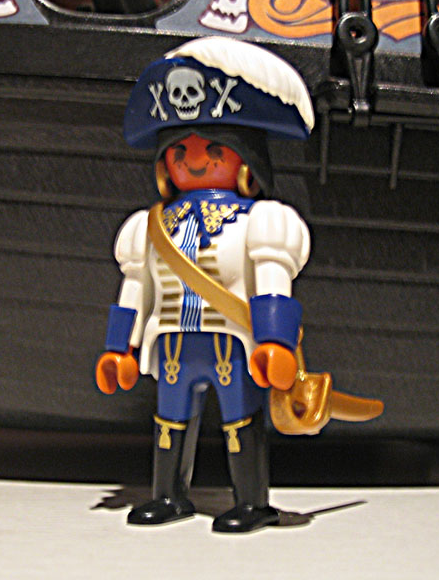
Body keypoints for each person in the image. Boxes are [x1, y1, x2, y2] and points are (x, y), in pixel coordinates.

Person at [94, 36, 315, 533]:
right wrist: (120, 348)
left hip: (232, 342)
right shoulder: (149, 226)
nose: (194, 160)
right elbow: (136, 288)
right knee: (169, 420)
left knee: (240, 419)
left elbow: (271, 279)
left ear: (246, 162)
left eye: (215, 150)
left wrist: (275, 341)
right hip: (172, 342)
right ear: (163, 164)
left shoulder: (262, 221)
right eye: (180, 151)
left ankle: (252, 502)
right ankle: (168, 494)